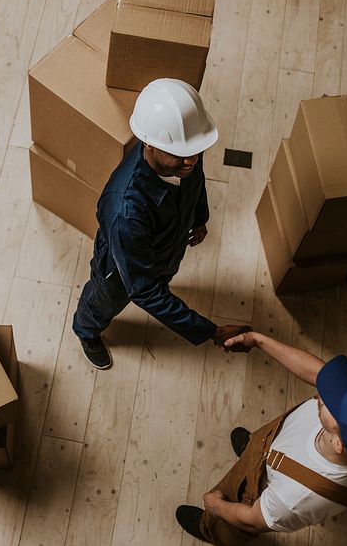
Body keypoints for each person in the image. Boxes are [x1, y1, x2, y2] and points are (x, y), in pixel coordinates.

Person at [175, 330, 347, 546]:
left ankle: (210, 530)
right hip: (273, 446)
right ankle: (253, 449)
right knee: (256, 445)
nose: (323, 391)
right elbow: (319, 373)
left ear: (337, 443)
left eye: (330, 402)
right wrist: (258, 339)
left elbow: (251, 521)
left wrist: (216, 506)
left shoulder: (298, 498)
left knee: (229, 528)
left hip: (254, 495)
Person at [72, 78, 251, 370]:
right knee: (103, 303)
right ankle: (86, 330)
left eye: (196, 149)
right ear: (149, 145)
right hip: (120, 270)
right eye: (181, 154)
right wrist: (211, 332)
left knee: (162, 280)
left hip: (168, 247)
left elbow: (196, 184)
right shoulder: (125, 212)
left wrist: (199, 218)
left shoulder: (185, 152)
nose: (192, 160)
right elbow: (143, 290)